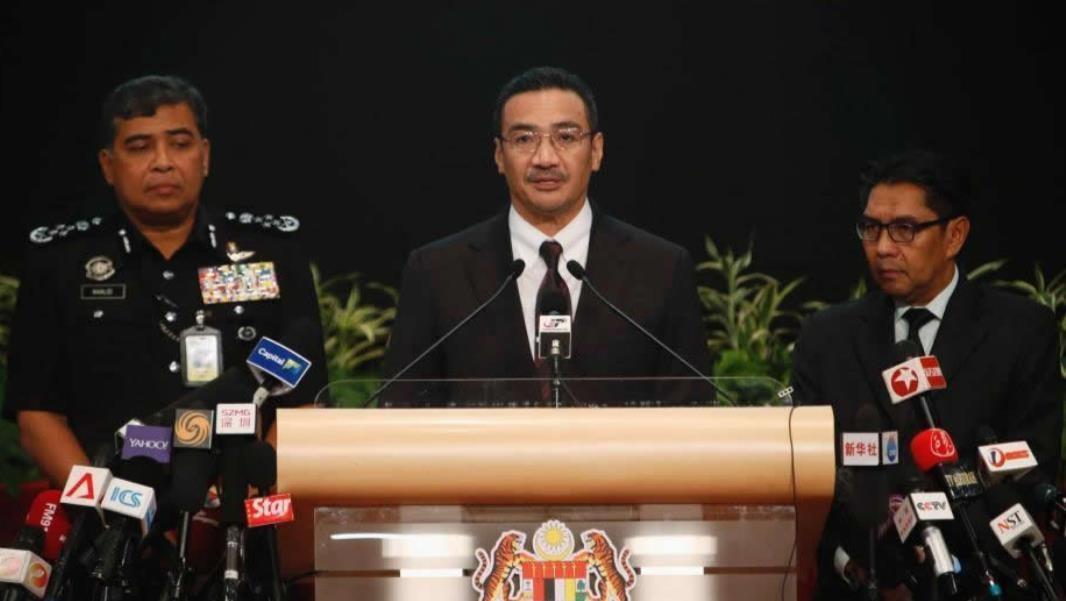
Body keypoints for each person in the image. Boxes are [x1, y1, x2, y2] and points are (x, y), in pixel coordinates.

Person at [2, 75, 327, 486]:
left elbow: (303, 402)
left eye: (180, 144)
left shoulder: (272, 253)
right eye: (140, 147)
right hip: (102, 505)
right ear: (108, 165)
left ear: (204, 156)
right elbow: (37, 415)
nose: (163, 162)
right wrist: (107, 503)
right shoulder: (60, 263)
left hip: (242, 505)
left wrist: (244, 493)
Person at [792, 150, 1062, 599]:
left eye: (904, 229)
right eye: (871, 228)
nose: (882, 247)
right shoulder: (826, 338)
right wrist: (864, 564)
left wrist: (944, 561)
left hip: (982, 580)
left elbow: (1031, 466)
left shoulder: (1020, 331)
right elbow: (810, 475)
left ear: (954, 235)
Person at [382, 66, 711, 406]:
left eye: (566, 137)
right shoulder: (437, 272)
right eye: (524, 139)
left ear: (596, 151)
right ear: (499, 155)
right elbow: (400, 410)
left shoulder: (661, 269)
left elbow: (694, 411)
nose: (545, 158)